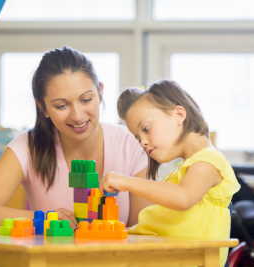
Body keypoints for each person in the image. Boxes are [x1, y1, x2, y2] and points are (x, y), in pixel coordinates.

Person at [0, 46, 152, 230]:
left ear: (100, 92)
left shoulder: (131, 144)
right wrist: (47, 219)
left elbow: (144, 231)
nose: (77, 116)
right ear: (42, 106)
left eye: (86, 100)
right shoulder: (28, 147)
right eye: (61, 105)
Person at [99, 79, 241, 267]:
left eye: (146, 129)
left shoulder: (209, 161)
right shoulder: (181, 170)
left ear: (178, 115)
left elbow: (183, 198)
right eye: (138, 137)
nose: (142, 142)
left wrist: (126, 182)